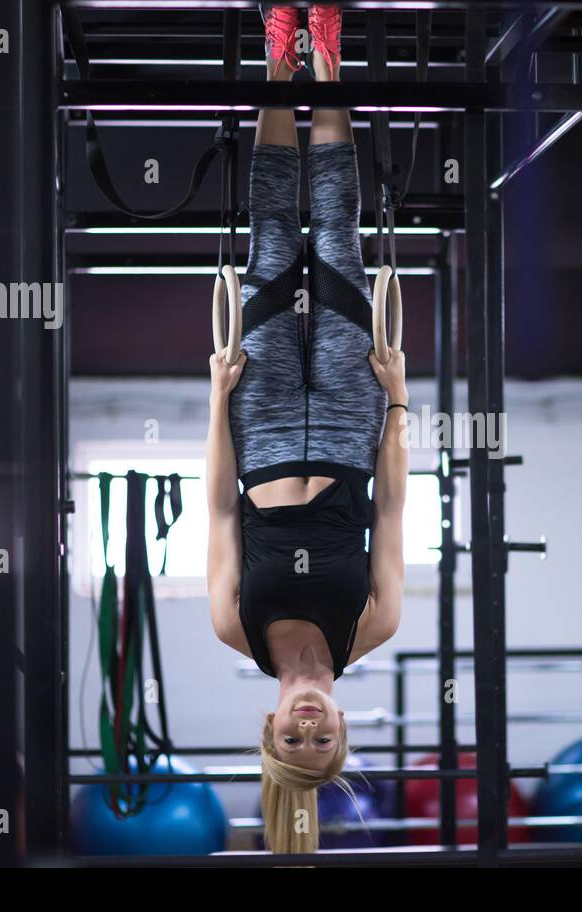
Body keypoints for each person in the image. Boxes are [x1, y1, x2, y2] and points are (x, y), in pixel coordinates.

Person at [205, 4, 408, 855]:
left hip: (261, 419)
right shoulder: (373, 624)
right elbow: (393, 513)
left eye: (293, 739)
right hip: (351, 426)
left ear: (270, 723)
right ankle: (325, 47)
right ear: (341, 731)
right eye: (323, 742)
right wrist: (398, 401)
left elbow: (219, 513)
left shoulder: (233, 624)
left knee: (272, 240)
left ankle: (276, 60)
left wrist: (216, 401)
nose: (310, 728)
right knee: (336, 237)